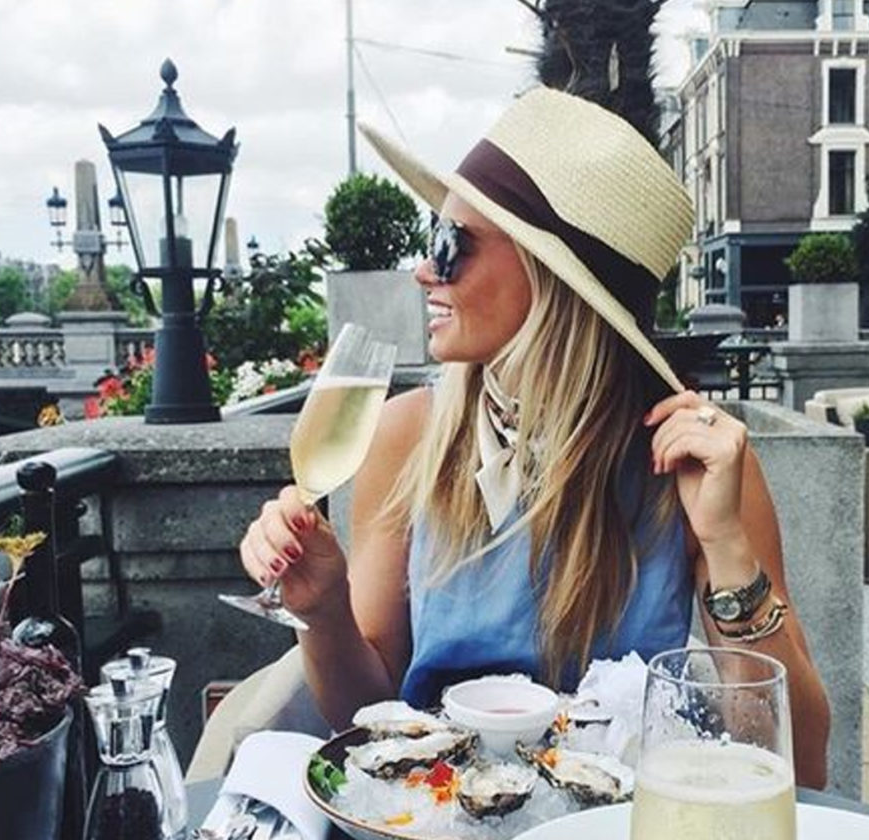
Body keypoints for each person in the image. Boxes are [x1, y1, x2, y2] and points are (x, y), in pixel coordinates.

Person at [239, 88, 831, 788]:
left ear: (551, 276)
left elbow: (799, 763)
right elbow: (364, 715)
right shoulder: (409, 435)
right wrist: (323, 608)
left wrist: (726, 544)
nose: (424, 271)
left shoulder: (690, 458)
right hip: (439, 818)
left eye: (450, 245)